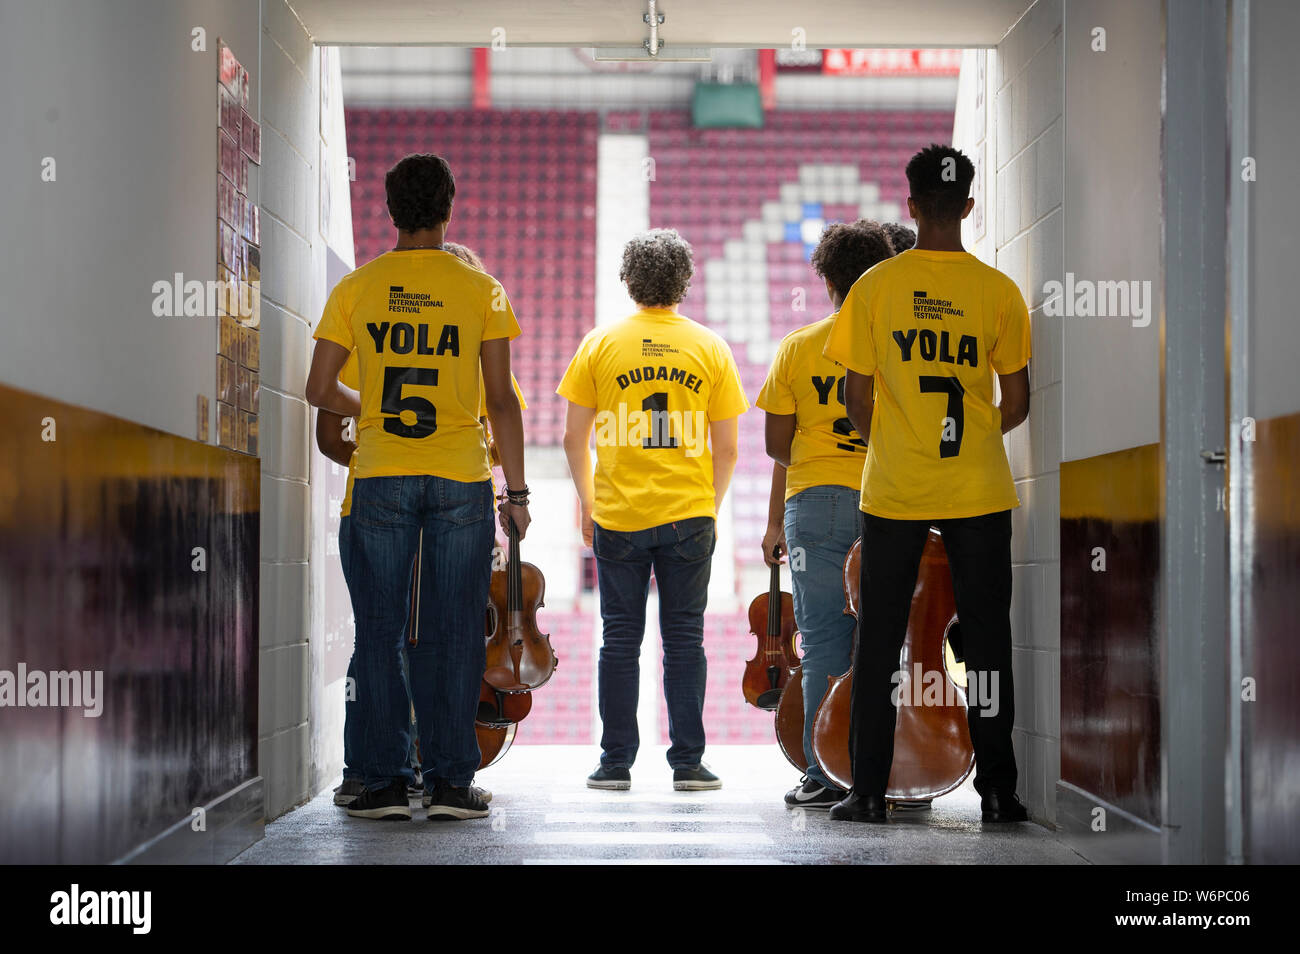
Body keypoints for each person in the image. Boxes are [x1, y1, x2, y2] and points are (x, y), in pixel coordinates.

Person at [306, 154, 528, 822]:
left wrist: (371, 406)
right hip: (461, 477)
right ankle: (452, 782)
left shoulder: (357, 288)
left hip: (378, 476)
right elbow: (501, 402)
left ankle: (379, 782)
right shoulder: (481, 290)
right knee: (456, 631)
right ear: (449, 206)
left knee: (378, 630)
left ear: (389, 208)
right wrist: (515, 494)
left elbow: (319, 390)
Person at [823, 144, 1031, 824]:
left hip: (895, 490)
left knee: (879, 640)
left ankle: (869, 792)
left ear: (910, 207)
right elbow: (1019, 401)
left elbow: (857, 400)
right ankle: (999, 792)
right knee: (988, 641)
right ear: (969, 207)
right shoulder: (998, 291)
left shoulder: (874, 288)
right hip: (979, 488)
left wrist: (899, 439)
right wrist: (968, 441)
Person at [557, 229, 748, 791]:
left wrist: (588, 503)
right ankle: (688, 761)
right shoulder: (710, 347)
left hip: (619, 515)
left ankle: (615, 763)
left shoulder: (599, 344)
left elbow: (573, 437)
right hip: (688, 516)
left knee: (619, 639)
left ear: (628, 280)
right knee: (685, 639)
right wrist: (706, 508)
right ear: (684, 281)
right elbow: (729, 447)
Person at [755, 219, 895, 810]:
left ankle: (821, 774)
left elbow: (775, 446)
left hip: (813, 505)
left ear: (827, 279)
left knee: (820, 645)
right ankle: (885, 774)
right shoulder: (896, 343)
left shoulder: (799, 345)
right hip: (886, 500)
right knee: (885, 644)